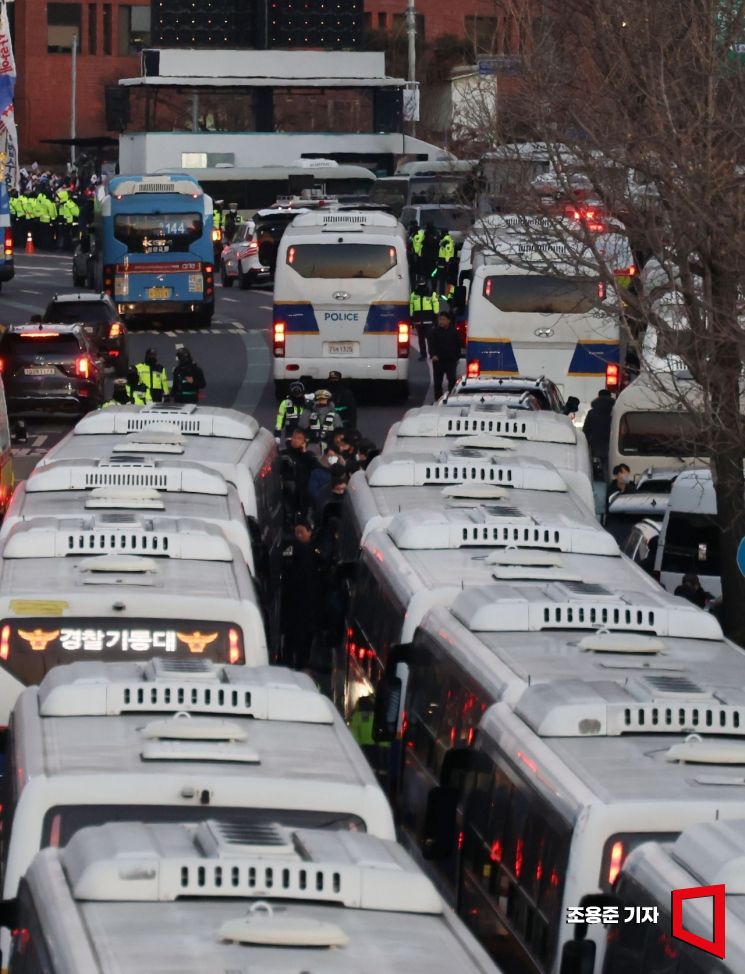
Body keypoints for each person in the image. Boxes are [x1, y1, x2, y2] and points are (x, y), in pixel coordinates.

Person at [429, 309, 462, 400]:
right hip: (438, 360)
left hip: (450, 360)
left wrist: (457, 356)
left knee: (451, 381)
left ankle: (451, 398)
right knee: (437, 382)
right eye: (440, 319)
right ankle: (438, 399)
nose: (441, 321)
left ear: (449, 321)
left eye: (443, 319)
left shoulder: (454, 332)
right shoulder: (434, 331)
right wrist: (433, 355)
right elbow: (431, 345)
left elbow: (458, 345)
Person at [583, 389, 613, 480]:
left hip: (595, 445)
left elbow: (586, 430)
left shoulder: (592, 413)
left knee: (593, 469)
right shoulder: (614, 412)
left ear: (598, 397)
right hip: (610, 444)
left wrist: (587, 444)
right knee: (608, 469)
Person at [409, 280, 439, 361]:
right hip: (419, 320)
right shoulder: (414, 294)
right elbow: (411, 306)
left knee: (430, 338)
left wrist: (435, 315)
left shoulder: (431, 293)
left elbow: (435, 304)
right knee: (421, 339)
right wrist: (411, 317)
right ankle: (424, 354)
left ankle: (431, 354)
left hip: (428, 319)